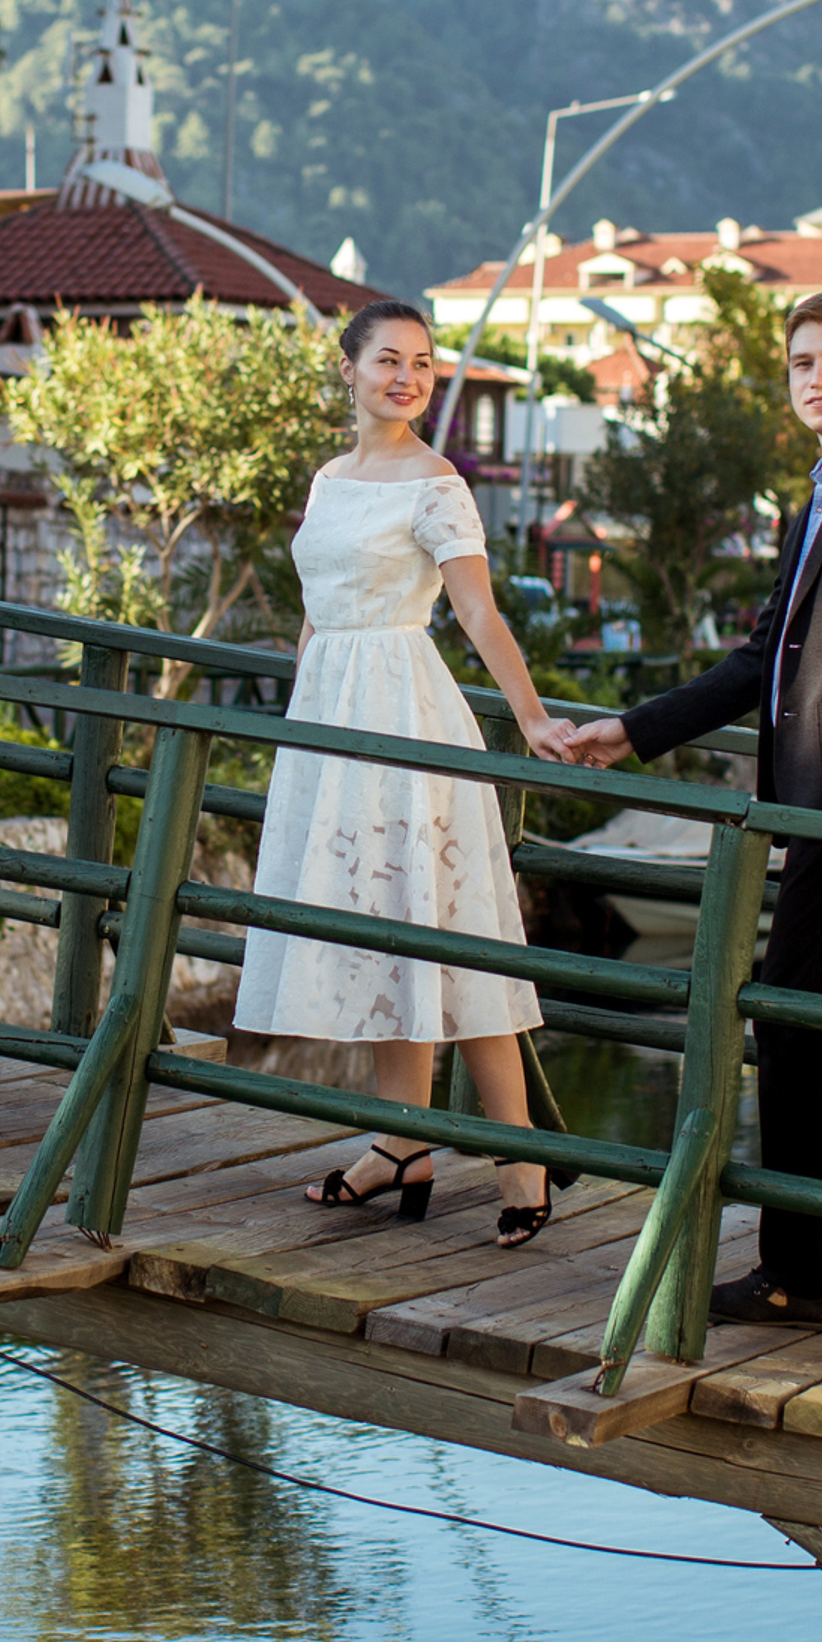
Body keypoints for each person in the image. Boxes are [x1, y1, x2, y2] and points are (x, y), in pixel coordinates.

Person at [569, 288, 822, 1335]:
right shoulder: (819, 499)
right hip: (820, 818)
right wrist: (636, 729)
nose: (816, 378)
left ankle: (797, 1271)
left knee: (787, 1025)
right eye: (800, 364)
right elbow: (762, 661)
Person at [236, 298, 581, 1246]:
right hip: (330, 714)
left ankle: (522, 1162)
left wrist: (534, 715)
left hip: (406, 709)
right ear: (348, 369)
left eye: (423, 364)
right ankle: (400, 1146)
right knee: (382, 925)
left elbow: (476, 612)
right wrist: (299, 713)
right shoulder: (330, 477)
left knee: (451, 927)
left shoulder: (439, 485)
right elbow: (316, 607)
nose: (408, 377)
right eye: (389, 359)